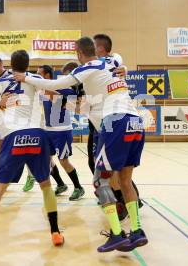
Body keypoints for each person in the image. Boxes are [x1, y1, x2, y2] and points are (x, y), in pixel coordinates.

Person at [14, 37, 148, 253]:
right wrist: (124, 68)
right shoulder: (111, 62)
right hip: (135, 121)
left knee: (99, 182)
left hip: (116, 122)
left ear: (78, 52)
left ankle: (116, 233)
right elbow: (119, 61)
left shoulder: (87, 67)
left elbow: (56, 84)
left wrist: (26, 78)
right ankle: (137, 230)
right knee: (125, 180)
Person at [0, 50, 64, 250]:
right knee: (46, 184)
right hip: (38, 135)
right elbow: (56, 97)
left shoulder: (2, 82)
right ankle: (55, 232)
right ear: (28, 63)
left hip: (14, 137)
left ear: (10, 64)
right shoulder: (36, 78)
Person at [93, 34, 142, 219]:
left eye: (94, 46)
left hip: (111, 122)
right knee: (120, 173)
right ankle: (129, 209)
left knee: (106, 172)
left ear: (100, 48)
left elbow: (117, 61)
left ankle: (119, 206)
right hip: (112, 120)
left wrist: (125, 69)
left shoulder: (105, 63)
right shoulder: (104, 66)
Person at [37, 65, 85, 200]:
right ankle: (60, 184)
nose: (36, 76)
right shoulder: (41, 91)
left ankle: (78, 187)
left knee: (63, 160)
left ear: (46, 76)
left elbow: (67, 102)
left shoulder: (65, 89)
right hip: (47, 130)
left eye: (39, 73)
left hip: (62, 131)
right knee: (46, 160)